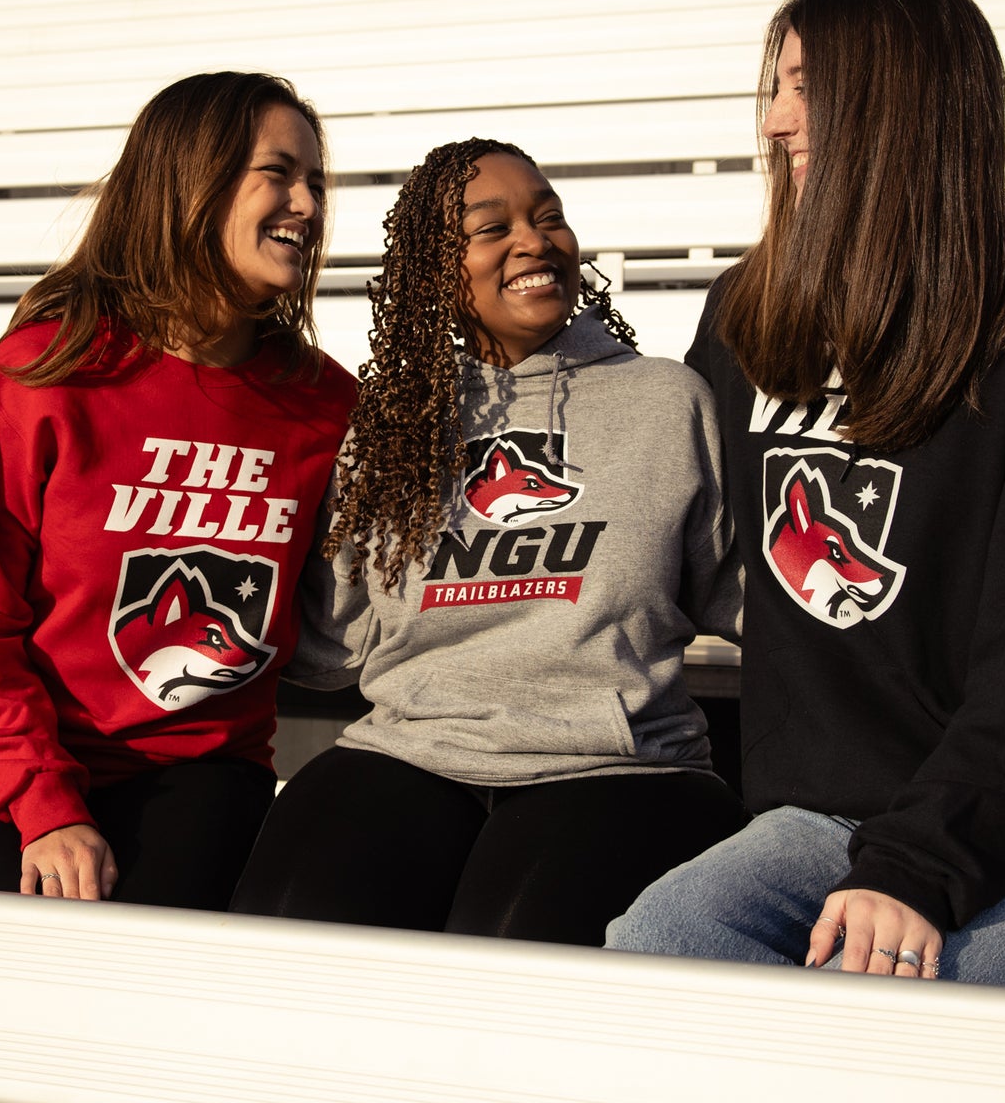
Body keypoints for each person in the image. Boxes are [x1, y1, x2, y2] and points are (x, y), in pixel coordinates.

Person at [607, 0, 1005, 994]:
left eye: (807, 86)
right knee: (659, 948)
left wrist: (917, 865)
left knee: (904, 1036)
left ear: (899, 104)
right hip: (821, 820)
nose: (775, 120)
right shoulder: (748, 311)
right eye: (774, 87)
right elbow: (666, 529)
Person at [230, 138, 747, 946]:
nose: (535, 241)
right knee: (286, 937)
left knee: (503, 954)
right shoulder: (395, 424)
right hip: (412, 754)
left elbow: (740, 594)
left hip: (612, 765)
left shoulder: (665, 402)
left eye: (550, 219)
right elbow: (334, 644)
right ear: (439, 269)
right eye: (493, 227)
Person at [0, 71, 357, 910]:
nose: (307, 204)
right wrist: (43, 806)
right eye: (279, 174)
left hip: (198, 774)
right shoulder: (48, 373)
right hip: (5, 756)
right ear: (193, 182)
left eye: (317, 183)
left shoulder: (327, 403)